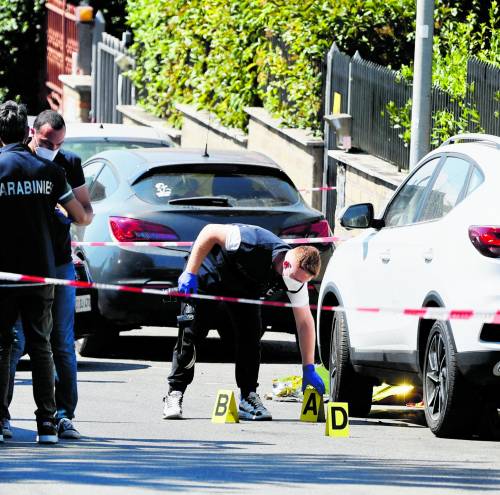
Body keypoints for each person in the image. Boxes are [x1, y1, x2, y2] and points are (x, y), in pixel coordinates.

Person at [163, 223, 325, 421]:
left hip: (245, 290)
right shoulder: (249, 241)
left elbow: (305, 322)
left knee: (251, 337)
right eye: (295, 279)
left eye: (302, 281)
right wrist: (190, 272)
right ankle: (175, 393)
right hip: (210, 271)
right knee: (192, 333)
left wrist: (308, 367)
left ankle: (248, 396)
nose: (296, 285)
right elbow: (209, 231)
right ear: (286, 264)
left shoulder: (297, 281)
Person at [0, 100, 88, 444]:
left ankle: (2, 421)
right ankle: (48, 425)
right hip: (42, 272)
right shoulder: (49, 172)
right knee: (42, 346)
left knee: (4, 344)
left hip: (4, 273)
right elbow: (81, 216)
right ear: (27, 133)